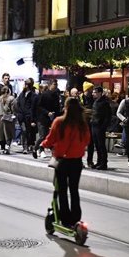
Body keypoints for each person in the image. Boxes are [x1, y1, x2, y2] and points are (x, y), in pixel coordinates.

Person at [39, 97, 91, 229]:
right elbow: (87, 140)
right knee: (74, 190)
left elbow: (50, 139)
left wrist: (42, 145)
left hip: (62, 161)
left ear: (66, 107)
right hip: (77, 162)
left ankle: (65, 219)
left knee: (61, 190)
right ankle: (76, 218)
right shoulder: (82, 124)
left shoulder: (59, 122)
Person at [34, 80, 61, 159]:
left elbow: (57, 107)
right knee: (43, 136)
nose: (56, 86)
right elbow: (39, 107)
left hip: (52, 119)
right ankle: (35, 149)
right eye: (54, 84)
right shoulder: (44, 95)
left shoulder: (56, 95)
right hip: (43, 119)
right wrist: (47, 112)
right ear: (50, 85)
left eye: (56, 84)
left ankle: (53, 152)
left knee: (51, 136)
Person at [90, 86, 111, 170]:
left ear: (99, 93)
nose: (93, 93)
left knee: (101, 145)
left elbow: (108, 116)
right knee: (97, 145)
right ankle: (99, 161)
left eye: (95, 92)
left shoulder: (104, 102)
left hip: (99, 126)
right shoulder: (96, 101)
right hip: (94, 125)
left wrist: (103, 126)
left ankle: (103, 163)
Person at [16, 79, 37, 155]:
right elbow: (18, 104)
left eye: (26, 84)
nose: (25, 85)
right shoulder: (21, 94)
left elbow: (33, 108)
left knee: (29, 132)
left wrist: (33, 119)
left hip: (29, 117)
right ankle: (25, 147)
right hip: (22, 116)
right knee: (24, 131)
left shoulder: (33, 95)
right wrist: (19, 113)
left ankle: (29, 145)